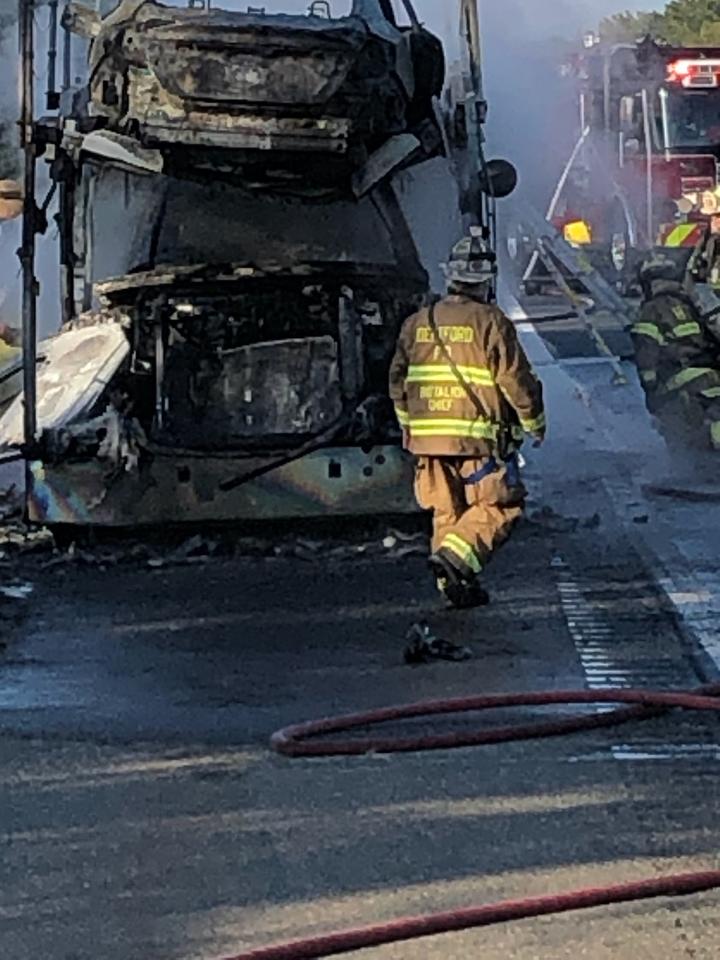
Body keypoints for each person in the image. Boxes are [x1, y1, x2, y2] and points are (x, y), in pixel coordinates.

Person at [389, 231, 546, 609]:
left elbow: (397, 381)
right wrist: (534, 422)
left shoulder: (417, 322)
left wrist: (410, 428)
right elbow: (515, 379)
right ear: (486, 280)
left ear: (451, 276)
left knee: (449, 513)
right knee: (499, 507)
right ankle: (456, 562)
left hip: (428, 442)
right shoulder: (491, 321)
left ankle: (455, 588)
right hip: (477, 440)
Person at [632, 252, 720, 454]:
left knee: (682, 433)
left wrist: (651, 393)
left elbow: (646, 353)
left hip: (684, 383)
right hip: (712, 376)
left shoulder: (651, 310)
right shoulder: (690, 307)